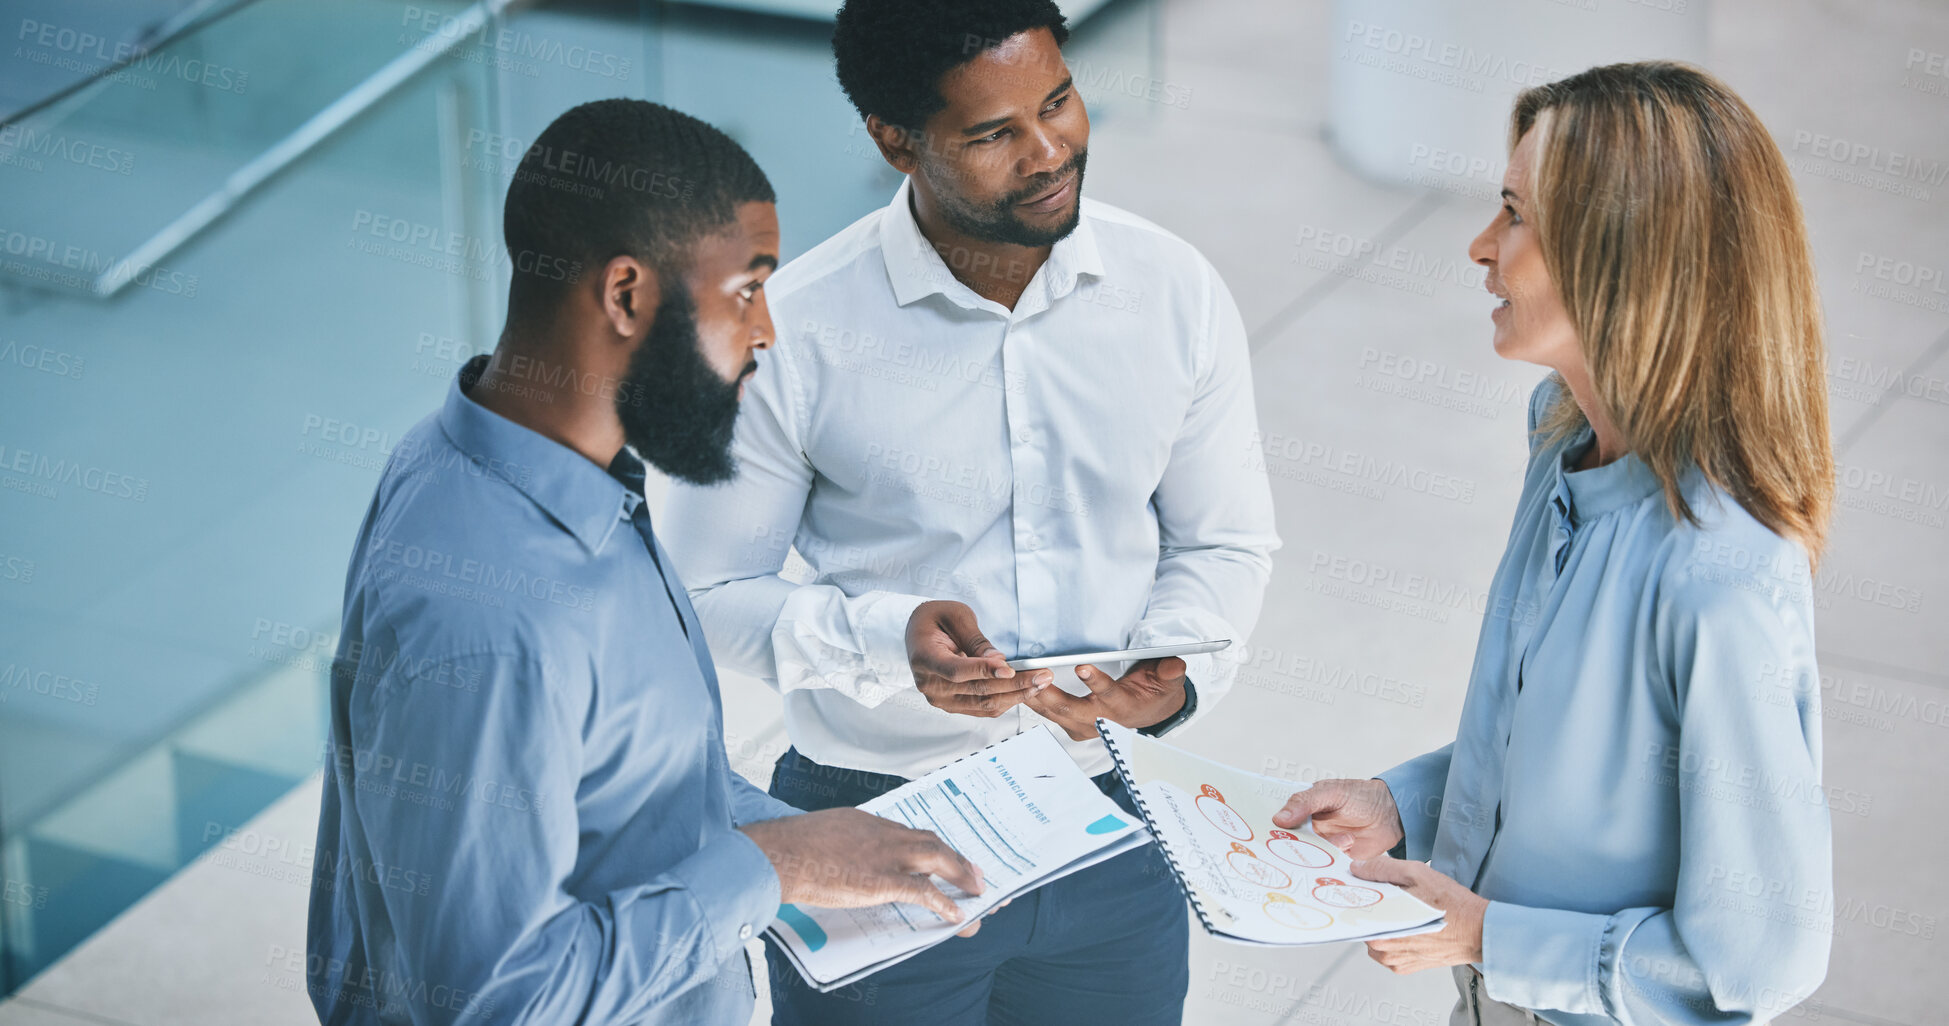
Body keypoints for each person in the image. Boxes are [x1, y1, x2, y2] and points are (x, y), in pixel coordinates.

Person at [306, 100, 993, 1026]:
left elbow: (632, 785)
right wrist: (777, 867)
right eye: (747, 288)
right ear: (627, 294)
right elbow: (496, 1004)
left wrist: (809, 839)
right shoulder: (490, 621)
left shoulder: (534, 468)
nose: (766, 334)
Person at [662, 1, 1279, 1022]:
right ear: (893, 140)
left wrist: (1172, 676)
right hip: (871, 826)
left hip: (1112, 820)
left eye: (1058, 101)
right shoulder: (794, 331)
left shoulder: (1173, 290)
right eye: (993, 134)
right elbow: (704, 589)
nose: (1048, 152)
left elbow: (1222, 539)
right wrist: (881, 639)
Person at [1273, 62, 1835, 1025]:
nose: (1480, 246)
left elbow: (1760, 960)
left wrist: (1491, 937)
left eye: (1514, 214)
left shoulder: (1718, 575)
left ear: (1627, 256)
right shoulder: (1560, 436)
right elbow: (1570, 759)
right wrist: (1401, 801)